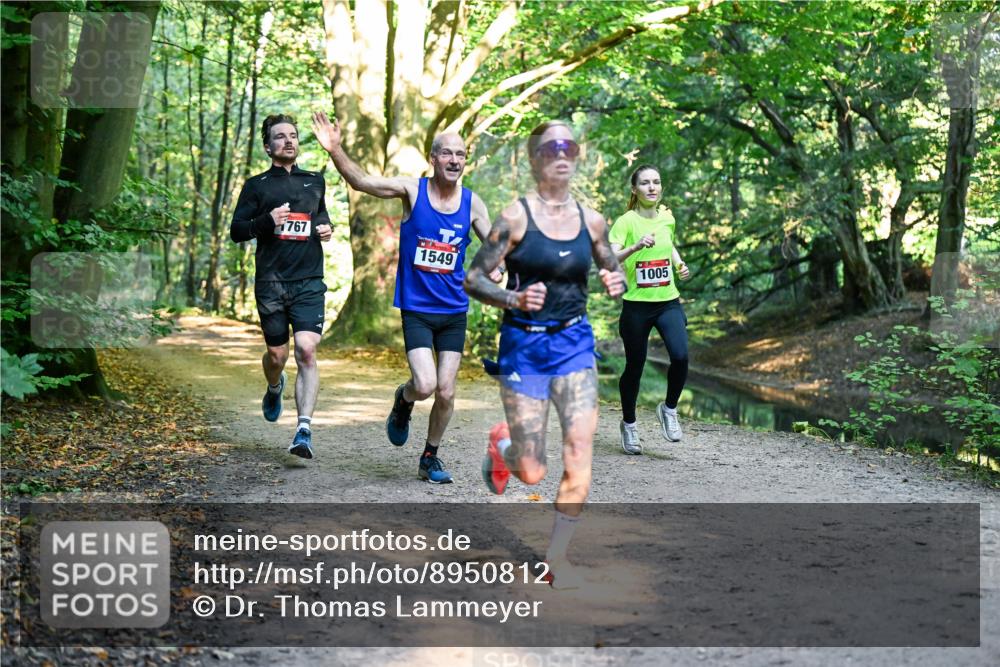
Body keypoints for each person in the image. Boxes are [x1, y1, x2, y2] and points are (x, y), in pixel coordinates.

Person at [464, 120, 626, 589]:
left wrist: (616, 282)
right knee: (531, 471)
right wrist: (513, 299)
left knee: (579, 451)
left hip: (574, 344)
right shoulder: (514, 218)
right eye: (551, 146)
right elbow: (473, 280)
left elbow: (611, 267)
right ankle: (504, 446)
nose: (562, 152)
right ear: (536, 157)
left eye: (570, 145)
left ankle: (557, 560)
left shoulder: (593, 221)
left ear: (577, 155)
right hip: (524, 345)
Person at [311, 111, 499, 484]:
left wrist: (497, 268)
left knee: (446, 390)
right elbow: (363, 181)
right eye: (447, 154)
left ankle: (429, 457)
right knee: (425, 385)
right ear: (433, 158)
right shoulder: (413, 191)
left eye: (460, 155)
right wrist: (335, 150)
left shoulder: (473, 204)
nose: (454, 161)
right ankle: (404, 399)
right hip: (417, 310)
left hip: (454, 311)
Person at [230, 113, 334, 459]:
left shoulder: (314, 180)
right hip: (271, 283)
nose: (288, 141)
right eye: (280, 137)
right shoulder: (257, 185)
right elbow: (236, 231)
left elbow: (321, 217)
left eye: (292, 135)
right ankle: (274, 385)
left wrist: (325, 229)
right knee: (278, 355)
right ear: (267, 146)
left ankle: (304, 429)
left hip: (308, 281)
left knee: (306, 350)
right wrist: (266, 221)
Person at [609, 164, 691, 455]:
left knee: (680, 356)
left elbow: (668, 245)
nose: (652, 187)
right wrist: (634, 247)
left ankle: (669, 409)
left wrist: (679, 263)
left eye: (656, 182)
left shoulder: (667, 218)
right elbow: (610, 257)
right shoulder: (626, 221)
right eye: (645, 183)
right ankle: (629, 425)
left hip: (668, 301)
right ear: (635, 189)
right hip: (636, 307)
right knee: (635, 367)